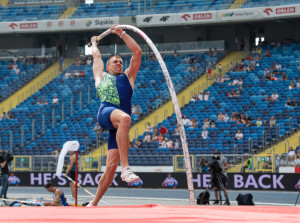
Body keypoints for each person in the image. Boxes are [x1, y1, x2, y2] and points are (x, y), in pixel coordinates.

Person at [88, 24, 141, 207]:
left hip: (117, 125)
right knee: (126, 117)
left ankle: (93, 203)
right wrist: (94, 42)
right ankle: (126, 168)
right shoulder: (101, 76)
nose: (119, 63)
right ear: (109, 66)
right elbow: (96, 55)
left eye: (120, 61)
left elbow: (137, 52)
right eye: (115, 61)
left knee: (110, 168)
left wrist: (122, 34)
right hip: (106, 114)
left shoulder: (129, 77)